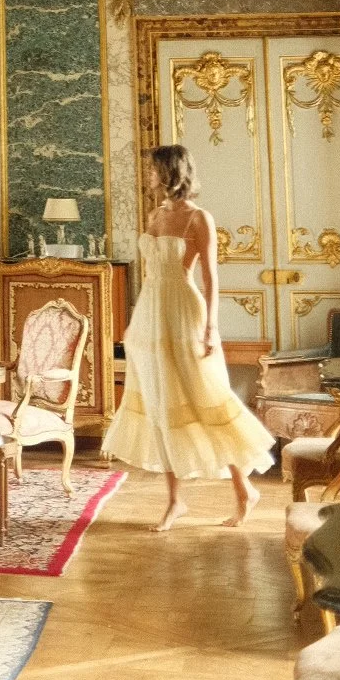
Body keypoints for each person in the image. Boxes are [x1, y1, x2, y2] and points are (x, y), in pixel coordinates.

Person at [101, 143, 274, 531]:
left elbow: (211, 278)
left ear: (170, 172)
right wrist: (135, 323)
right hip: (152, 315)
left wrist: (211, 327)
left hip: (186, 315)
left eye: (153, 170)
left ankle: (244, 489)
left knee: (205, 400)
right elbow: (150, 278)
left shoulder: (199, 218)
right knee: (162, 406)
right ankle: (175, 500)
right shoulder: (154, 216)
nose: (148, 176)